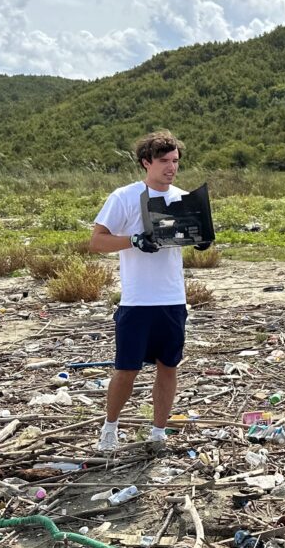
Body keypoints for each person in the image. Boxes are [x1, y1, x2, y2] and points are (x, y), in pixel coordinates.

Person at [89, 129, 210, 451]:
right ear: (146, 163)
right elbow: (96, 241)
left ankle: (158, 433)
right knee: (126, 368)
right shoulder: (124, 197)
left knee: (168, 367)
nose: (171, 168)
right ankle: (109, 429)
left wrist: (201, 239)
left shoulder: (183, 199)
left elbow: (194, 236)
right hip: (137, 300)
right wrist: (133, 240)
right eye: (163, 161)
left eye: (175, 161)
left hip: (172, 299)